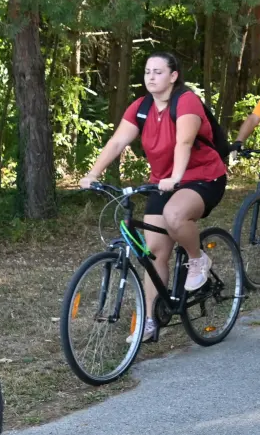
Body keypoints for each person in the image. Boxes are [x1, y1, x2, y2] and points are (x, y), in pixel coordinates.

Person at [81, 51, 228, 342]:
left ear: (173, 76)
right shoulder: (141, 107)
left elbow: (185, 141)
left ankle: (197, 260)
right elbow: (118, 141)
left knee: (175, 216)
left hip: (203, 176)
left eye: (158, 71)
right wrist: (93, 174)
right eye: (148, 71)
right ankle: (149, 320)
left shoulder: (185, 100)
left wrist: (176, 177)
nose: (151, 76)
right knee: (155, 251)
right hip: (163, 183)